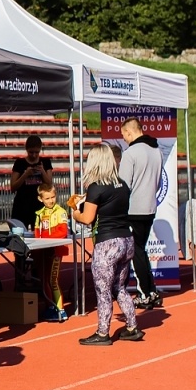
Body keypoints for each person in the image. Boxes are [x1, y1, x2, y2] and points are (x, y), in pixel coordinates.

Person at [68, 143, 143, 346]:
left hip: (107, 243)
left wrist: (75, 211)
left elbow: (87, 219)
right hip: (126, 240)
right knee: (120, 287)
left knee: (103, 290)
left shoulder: (96, 187)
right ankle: (132, 326)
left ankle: (103, 333)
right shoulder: (122, 184)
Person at [117, 118, 163, 308]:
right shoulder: (157, 151)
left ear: (129, 132)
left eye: (124, 135)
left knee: (135, 252)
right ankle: (151, 290)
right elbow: (159, 182)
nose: (124, 139)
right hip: (150, 207)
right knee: (141, 250)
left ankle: (145, 292)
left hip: (133, 209)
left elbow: (123, 184)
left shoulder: (130, 154)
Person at [32, 182, 70, 322]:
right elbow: (37, 232)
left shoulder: (60, 212)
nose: (51, 200)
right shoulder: (39, 214)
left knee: (53, 280)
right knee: (44, 280)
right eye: (47, 198)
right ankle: (50, 307)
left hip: (56, 251)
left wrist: (46, 238)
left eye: (53, 197)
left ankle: (61, 310)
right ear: (40, 199)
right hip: (43, 251)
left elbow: (62, 231)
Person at [8, 135, 55, 227]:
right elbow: (13, 187)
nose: (34, 155)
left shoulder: (45, 162)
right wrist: (25, 174)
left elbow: (49, 184)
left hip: (40, 204)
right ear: (26, 149)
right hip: (22, 204)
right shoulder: (20, 163)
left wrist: (42, 171)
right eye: (31, 152)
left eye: (36, 152)